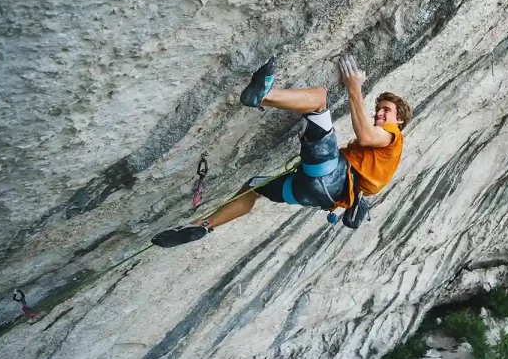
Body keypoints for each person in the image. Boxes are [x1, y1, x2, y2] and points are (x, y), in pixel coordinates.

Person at [151, 55, 410, 248]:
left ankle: (262, 95)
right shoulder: (384, 159)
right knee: (254, 187)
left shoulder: (393, 136)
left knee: (319, 99)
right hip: (314, 195)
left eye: (386, 110)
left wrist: (354, 87)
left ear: (398, 120)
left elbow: (365, 135)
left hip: (330, 175)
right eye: (380, 109)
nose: (380, 113)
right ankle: (203, 226)